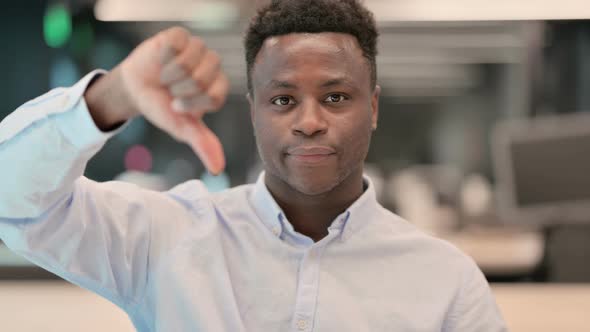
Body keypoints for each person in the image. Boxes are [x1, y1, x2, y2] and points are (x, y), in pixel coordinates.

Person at [0, 0, 507, 331]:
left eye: (335, 96)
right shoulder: (163, 238)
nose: (309, 122)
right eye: (283, 100)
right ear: (254, 110)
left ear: (372, 108)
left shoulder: (445, 283)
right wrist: (114, 96)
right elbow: (13, 201)